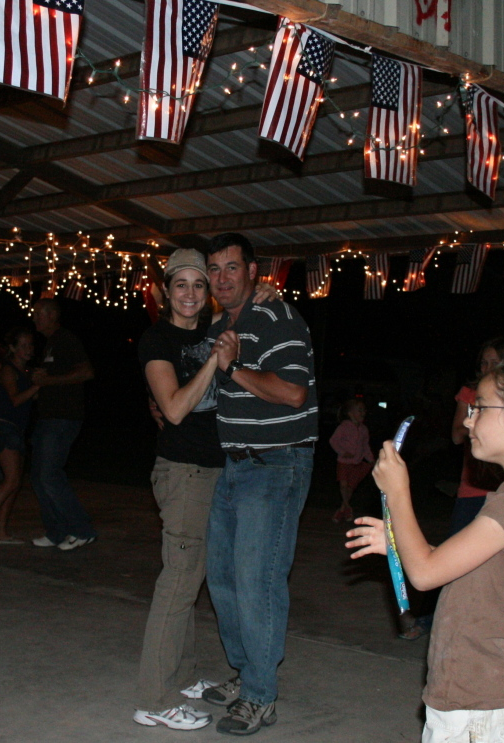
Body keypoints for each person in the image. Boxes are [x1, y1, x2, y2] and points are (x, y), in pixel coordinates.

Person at [347, 358, 504, 742]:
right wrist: (398, 544)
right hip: (479, 700)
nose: (466, 419)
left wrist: (397, 492)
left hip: (485, 708)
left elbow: (426, 573)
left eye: (479, 407)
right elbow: (461, 568)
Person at [200, 233, 318, 736]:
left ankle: (260, 696)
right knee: (223, 578)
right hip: (236, 466)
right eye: (215, 270)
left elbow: (292, 393)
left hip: (276, 465)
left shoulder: (277, 317)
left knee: (257, 582)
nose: (222, 278)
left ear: (253, 271)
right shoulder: (222, 324)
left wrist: (234, 367)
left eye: (232, 268)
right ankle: (249, 673)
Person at [133, 249, 223, 731]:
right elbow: (172, 408)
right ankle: (155, 697)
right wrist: (212, 363)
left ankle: (182, 674)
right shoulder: (156, 338)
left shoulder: (214, 330)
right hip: (183, 471)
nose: (190, 293)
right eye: (181, 284)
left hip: (212, 470)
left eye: (198, 284)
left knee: (191, 579)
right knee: (178, 582)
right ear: (165, 291)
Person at [28, 298, 97, 551]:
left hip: (63, 418)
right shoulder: (50, 344)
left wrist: (50, 381)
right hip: (48, 417)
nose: (34, 318)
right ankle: (56, 532)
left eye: (37, 313)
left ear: (51, 315)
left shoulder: (66, 339)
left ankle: (82, 530)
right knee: (38, 477)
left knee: (49, 475)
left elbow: (87, 372)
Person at [450, 337, 504, 534]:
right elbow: (456, 434)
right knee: (458, 552)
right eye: (483, 363)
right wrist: (480, 429)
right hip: (473, 487)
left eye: (494, 363)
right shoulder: (470, 393)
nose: (487, 368)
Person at [0, 326, 39, 550]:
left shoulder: (26, 372)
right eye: (23, 345)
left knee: (14, 483)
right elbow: (14, 399)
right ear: (13, 348)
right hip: (4, 428)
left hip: (17, 430)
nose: (28, 349)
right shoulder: (8, 369)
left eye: (30, 344)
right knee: (11, 480)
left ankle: (0, 531)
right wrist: (37, 386)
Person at [329, 397, 374, 523]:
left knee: (350, 488)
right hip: (343, 461)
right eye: (359, 410)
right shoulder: (344, 426)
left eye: (364, 410)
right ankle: (347, 508)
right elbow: (333, 441)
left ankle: (342, 509)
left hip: (357, 463)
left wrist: (370, 459)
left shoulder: (364, 429)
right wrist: (343, 452)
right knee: (343, 485)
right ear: (350, 413)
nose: (363, 413)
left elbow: (365, 446)